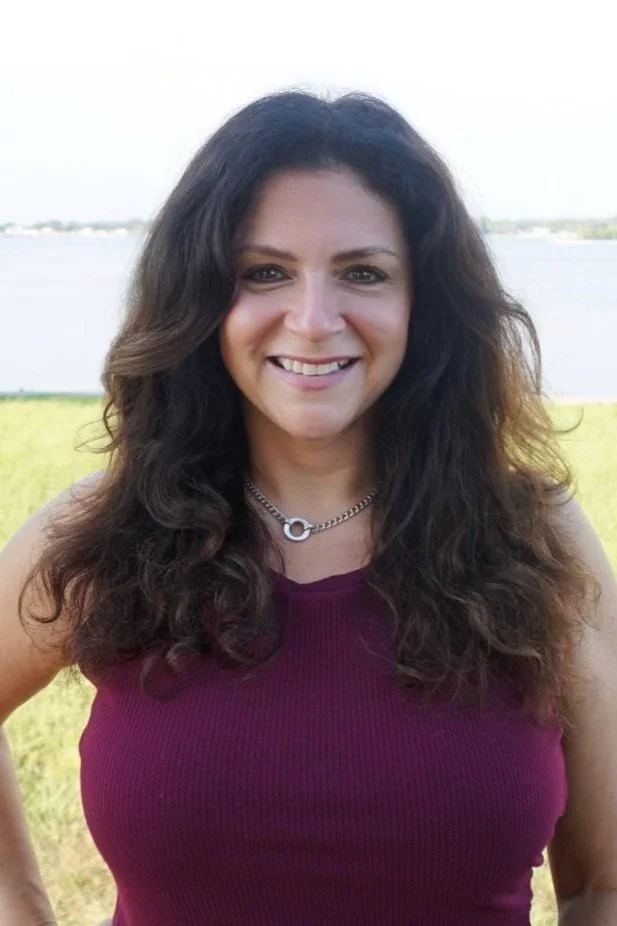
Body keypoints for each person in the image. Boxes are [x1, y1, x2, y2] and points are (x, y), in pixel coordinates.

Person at [1, 89, 616, 926]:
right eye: (265, 272)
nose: (315, 320)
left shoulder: (532, 540)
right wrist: (22, 905)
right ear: (201, 299)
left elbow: (601, 884)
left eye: (363, 272)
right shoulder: (110, 532)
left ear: (422, 301)